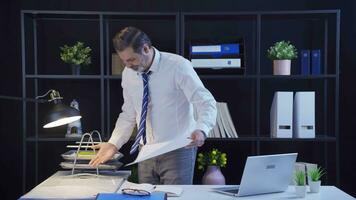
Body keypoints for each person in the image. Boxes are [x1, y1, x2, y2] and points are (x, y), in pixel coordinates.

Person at [89, 26, 217, 184]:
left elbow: (206, 101)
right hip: (146, 151)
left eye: (131, 60)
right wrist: (113, 144)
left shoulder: (178, 66)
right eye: (124, 61)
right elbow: (128, 114)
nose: (128, 65)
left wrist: (202, 129)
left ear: (145, 48)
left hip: (176, 149)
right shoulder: (128, 73)